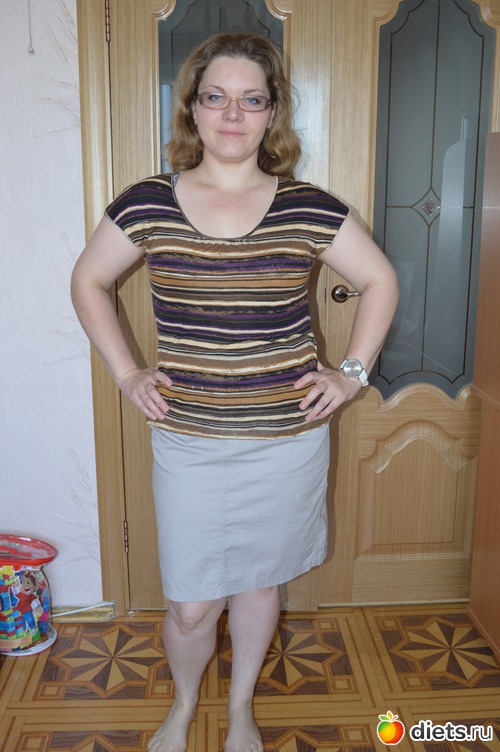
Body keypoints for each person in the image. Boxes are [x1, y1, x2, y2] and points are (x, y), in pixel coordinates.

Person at [71, 32, 399, 752]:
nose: (232, 114)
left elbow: (379, 280)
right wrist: (128, 372)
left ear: (272, 112)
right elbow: (88, 280)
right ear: (191, 106)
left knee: (258, 584)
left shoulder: (308, 207)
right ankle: (185, 703)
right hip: (188, 440)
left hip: (286, 442)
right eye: (216, 96)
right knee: (192, 604)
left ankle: (242, 707)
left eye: (251, 100)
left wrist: (350, 375)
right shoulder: (148, 203)